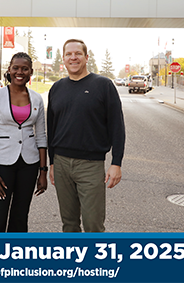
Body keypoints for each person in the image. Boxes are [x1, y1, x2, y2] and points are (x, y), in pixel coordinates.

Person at [47, 39, 125, 233]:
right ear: (63, 59)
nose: (73, 57)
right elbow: (52, 128)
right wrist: (52, 163)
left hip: (90, 166)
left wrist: (116, 163)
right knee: (69, 224)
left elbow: (117, 126)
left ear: (86, 57)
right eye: (68, 54)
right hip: (61, 164)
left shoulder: (103, 85)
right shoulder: (56, 88)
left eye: (78, 53)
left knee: (93, 225)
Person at [0, 52, 48, 232]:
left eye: (24, 68)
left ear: (30, 72)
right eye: (16, 68)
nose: (20, 72)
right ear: (9, 70)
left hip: (29, 164)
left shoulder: (36, 98)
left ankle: (14, 255)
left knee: (20, 217)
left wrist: (43, 171)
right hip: (3, 164)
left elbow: (41, 137)